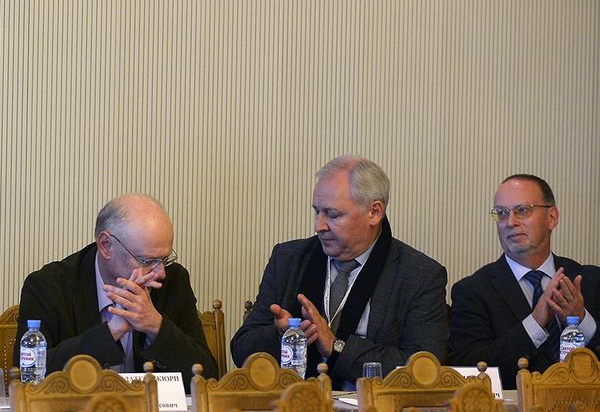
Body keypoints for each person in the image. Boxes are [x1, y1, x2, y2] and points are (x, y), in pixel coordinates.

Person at [230, 156, 448, 387]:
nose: (319, 226)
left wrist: (336, 347)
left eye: (333, 215)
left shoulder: (420, 275)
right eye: (317, 212)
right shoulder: (287, 259)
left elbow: (423, 372)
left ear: (374, 212)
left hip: (372, 407)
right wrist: (281, 336)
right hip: (293, 403)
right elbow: (241, 350)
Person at [14, 194, 219, 387]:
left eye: (164, 259)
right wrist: (112, 330)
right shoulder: (48, 286)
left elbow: (208, 377)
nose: (160, 272)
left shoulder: (173, 282)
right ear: (106, 245)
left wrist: (155, 325)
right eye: (147, 261)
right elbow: (29, 378)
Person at [450, 174, 599, 388]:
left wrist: (582, 321)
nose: (511, 222)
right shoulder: (472, 291)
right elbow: (470, 372)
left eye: (522, 210)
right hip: (513, 408)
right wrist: (534, 324)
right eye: (502, 213)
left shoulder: (591, 281)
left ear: (552, 218)